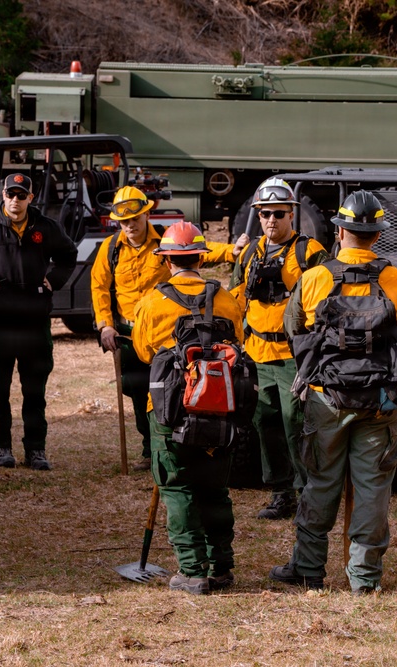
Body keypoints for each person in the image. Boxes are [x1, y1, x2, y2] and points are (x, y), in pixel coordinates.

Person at [271, 190, 397, 594]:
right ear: (377, 235)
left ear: (339, 231)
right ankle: (365, 579)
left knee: (320, 481)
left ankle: (307, 569)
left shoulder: (314, 279)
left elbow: (294, 333)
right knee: (373, 487)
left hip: (326, 399)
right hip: (381, 402)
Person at [91, 186, 248, 471]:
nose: (129, 226)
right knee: (139, 391)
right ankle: (150, 447)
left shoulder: (166, 239)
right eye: (123, 222)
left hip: (166, 335)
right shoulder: (111, 248)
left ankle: (171, 447)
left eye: (135, 219)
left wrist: (231, 252)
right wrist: (105, 325)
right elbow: (100, 286)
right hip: (130, 335)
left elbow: (197, 252)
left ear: (147, 214)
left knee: (176, 390)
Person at [132, 221, 245, 595]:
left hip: (168, 410)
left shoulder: (151, 301)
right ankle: (221, 568)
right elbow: (239, 343)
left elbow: (143, 351)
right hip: (221, 406)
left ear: (167, 261)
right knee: (214, 487)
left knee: (177, 488)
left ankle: (192, 571)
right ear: (201, 257)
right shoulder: (227, 298)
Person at [230, 177, 327, 519]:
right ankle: (280, 492)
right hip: (257, 355)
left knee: (295, 423)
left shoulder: (310, 252)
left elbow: (324, 303)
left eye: (278, 213)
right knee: (265, 425)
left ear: (291, 215)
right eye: (264, 214)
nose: (271, 220)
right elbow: (235, 297)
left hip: (292, 357)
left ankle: (307, 492)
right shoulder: (250, 253)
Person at [0, 173, 78, 471]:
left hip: (34, 320)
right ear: (2, 195)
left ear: (31, 198)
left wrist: (53, 279)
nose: (15, 200)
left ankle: (36, 450)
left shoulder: (47, 228)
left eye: (21, 195)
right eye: (10, 194)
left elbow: (69, 255)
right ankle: (0, 447)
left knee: (34, 389)